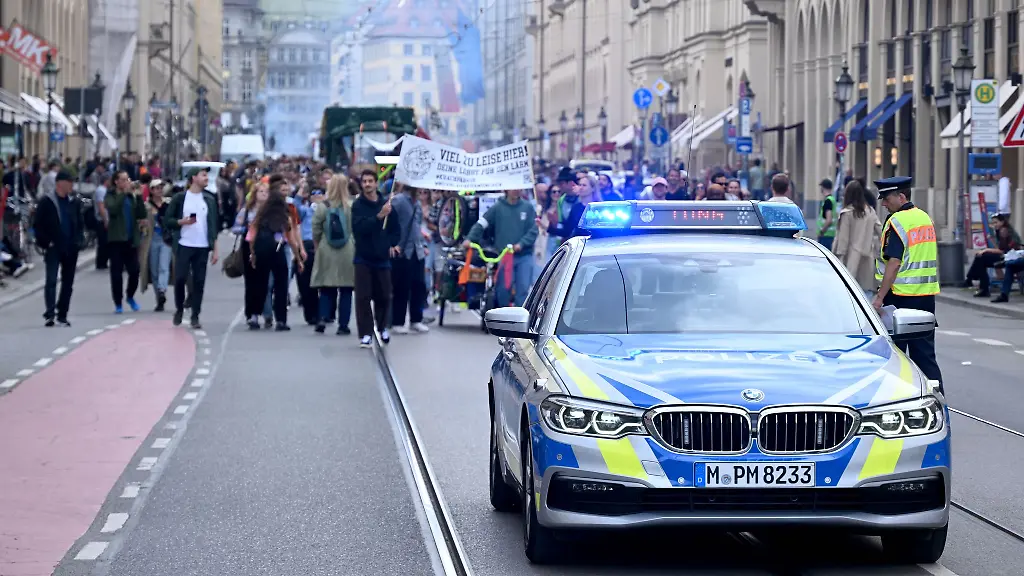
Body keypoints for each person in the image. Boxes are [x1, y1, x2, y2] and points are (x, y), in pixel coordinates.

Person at [871, 176, 943, 390]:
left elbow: (894, 263)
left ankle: (897, 398)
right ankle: (938, 398)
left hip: (900, 298)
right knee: (925, 356)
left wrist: (879, 297)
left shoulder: (897, 222)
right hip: (925, 297)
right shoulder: (924, 218)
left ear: (901, 197)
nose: (884, 204)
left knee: (895, 356)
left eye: (887, 199)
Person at [164, 167, 220, 328]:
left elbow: (213, 225)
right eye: (203, 175)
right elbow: (167, 220)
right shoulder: (180, 198)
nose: (206, 178)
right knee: (180, 278)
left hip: (202, 246)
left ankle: (195, 315)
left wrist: (215, 249)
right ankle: (179, 308)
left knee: (199, 281)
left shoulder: (209, 199)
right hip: (184, 245)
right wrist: (181, 222)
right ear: (193, 178)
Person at [465, 187, 538, 308]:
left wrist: (521, 244)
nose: (516, 190)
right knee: (503, 289)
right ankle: (503, 314)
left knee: (523, 288)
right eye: (513, 187)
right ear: (506, 190)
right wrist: (470, 239)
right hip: (504, 256)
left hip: (524, 255)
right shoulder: (497, 207)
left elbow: (534, 230)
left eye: (518, 187)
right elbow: (482, 223)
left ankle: (520, 316)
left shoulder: (528, 207)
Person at [351, 170, 400, 348]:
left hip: (382, 257)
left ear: (376, 183)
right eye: (364, 181)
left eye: (370, 181)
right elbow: (359, 228)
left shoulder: (386, 204)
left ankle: (382, 327)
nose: (367, 184)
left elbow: (395, 229)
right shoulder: (358, 205)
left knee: (384, 295)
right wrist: (379, 216)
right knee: (363, 297)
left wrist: (393, 243)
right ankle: (365, 333)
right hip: (363, 257)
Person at [248, 187, 306, 331]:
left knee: (260, 284)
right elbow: (291, 240)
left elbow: (251, 237)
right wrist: (298, 258)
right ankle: (281, 320)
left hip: (262, 252)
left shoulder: (261, 216)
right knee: (281, 286)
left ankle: (254, 316)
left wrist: (253, 253)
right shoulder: (284, 217)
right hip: (278, 252)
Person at [34, 171, 84, 327]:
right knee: (51, 280)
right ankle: (50, 314)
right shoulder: (47, 201)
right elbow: (37, 225)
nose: (72, 185)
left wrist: (79, 240)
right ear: (59, 183)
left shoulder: (74, 202)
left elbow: (79, 223)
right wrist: (45, 242)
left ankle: (62, 314)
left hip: (70, 246)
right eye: (69, 182)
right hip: (53, 247)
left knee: (68, 283)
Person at [311, 174, 356, 335]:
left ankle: (322, 318)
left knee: (326, 287)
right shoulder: (351, 206)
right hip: (348, 249)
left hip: (326, 249)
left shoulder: (323, 206)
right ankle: (343, 325)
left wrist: (318, 245)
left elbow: (316, 228)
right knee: (346, 289)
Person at [387, 182, 430, 334]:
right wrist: (392, 244)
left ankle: (416, 320)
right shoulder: (398, 201)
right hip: (403, 250)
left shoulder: (417, 203)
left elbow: (417, 227)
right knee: (401, 288)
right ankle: (397, 321)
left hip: (417, 250)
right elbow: (389, 224)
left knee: (418, 286)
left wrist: (423, 245)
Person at [104, 170, 149, 313]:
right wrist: (123, 193)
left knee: (135, 271)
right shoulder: (110, 196)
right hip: (116, 240)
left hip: (131, 239)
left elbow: (141, 214)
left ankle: (130, 295)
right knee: (116, 274)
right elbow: (113, 210)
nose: (126, 182)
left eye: (127, 179)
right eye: (123, 180)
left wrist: (139, 196)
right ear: (116, 181)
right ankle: (118, 303)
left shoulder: (131, 197)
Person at [832, 180, 881, 296]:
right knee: (866, 295)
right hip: (867, 261)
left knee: (850, 295)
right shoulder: (870, 211)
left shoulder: (847, 213)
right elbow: (881, 232)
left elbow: (842, 243)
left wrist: (836, 259)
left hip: (850, 263)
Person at [961, 213, 1021, 298]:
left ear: (1002, 222)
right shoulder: (1001, 230)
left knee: (981, 258)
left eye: (996, 222)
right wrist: (991, 240)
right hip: (1007, 256)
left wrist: (986, 250)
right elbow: (999, 248)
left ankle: (975, 283)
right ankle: (974, 282)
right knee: (980, 258)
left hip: (1009, 257)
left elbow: (1002, 251)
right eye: (993, 223)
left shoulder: (1004, 231)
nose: (994, 225)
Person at [817, 178, 837, 250]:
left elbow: (829, 220)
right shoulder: (832, 199)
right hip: (830, 235)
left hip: (826, 236)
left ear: (823, 187)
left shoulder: (828, 201)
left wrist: (821, 232)